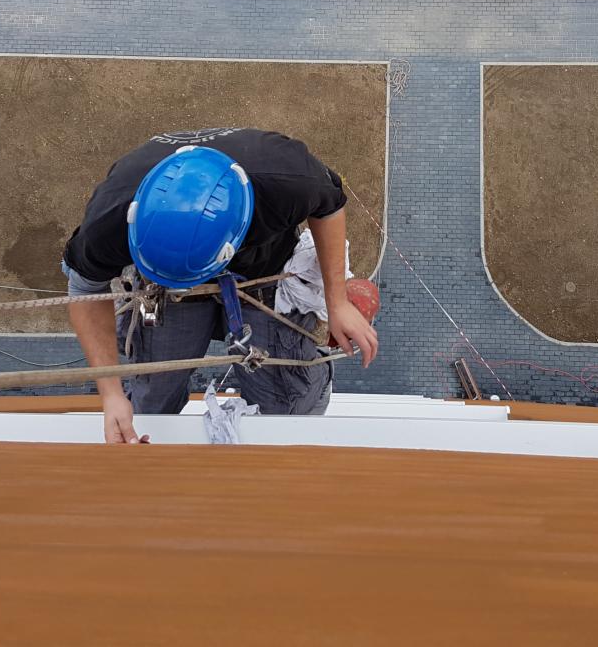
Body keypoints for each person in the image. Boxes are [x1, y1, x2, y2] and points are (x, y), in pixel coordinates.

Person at [63, 128, 378, 444]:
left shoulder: (285, 176)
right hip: (167, 287)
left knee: (284, 410)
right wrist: (111, 394)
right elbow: (85, 291)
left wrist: (337, 302)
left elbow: (330, 204)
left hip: (262, 270)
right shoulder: (110, 218)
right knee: (150, 402)